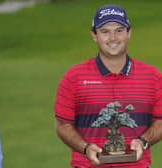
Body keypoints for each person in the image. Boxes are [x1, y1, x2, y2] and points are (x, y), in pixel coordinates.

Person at [54, 4, 162, 168]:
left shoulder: (152, 76)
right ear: (94, 35)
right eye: (105, 31)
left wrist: (143, 141)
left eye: (119, 30)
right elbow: (62, 126)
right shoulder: (73, 76)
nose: (113, 38)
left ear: (129, 32)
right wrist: (86, 148)